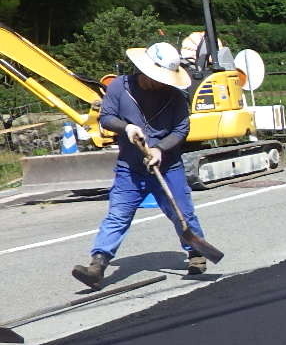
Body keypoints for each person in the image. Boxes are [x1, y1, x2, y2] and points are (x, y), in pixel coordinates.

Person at [71, 42, 208, 289]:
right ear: (144, 69)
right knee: (117, 216)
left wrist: (159, 149)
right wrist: (127, 127)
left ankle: (196, 253)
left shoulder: (175, 96)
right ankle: (98, 265)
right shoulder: (119, 88)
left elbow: (181, 129)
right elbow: (106, 117)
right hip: (130, 168)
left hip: (168, 167)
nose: (160, 82)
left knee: (182, 213)